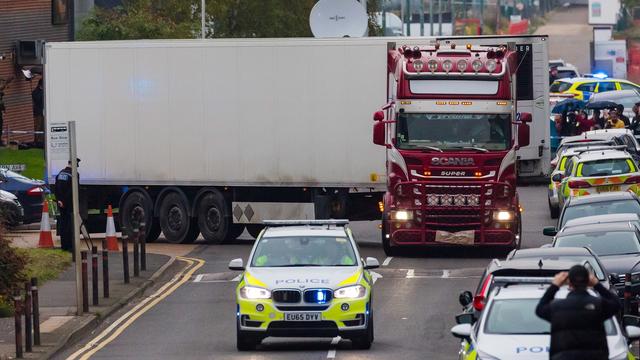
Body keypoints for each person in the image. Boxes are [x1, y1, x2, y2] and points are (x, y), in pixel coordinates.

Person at [535, 265, 620, 360]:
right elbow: (616, 304)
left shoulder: (557, 307)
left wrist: (555, 285)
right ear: (588, 281)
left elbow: (540, 309)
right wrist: (597, 285)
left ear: (569, 283)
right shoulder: (598, 305)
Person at [54, 158, 79, 253]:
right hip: (69, 203)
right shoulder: (74, 175)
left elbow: (56, 188)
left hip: (61, 203)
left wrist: (59, 200)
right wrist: (67, 201)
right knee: (70, 225)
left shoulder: (60, 173)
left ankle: (63, 246)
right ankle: (70, 247)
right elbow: (73, 190)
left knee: (63, 224)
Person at [31, 79, 44, 147]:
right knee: (38, 126)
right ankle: (37, 141)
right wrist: (42, 92)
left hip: (44, 112)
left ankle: (42, 140)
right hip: (38, 112)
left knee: (43, 126)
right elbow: (38, 100)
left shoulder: (44, 90)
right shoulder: (36, 92)